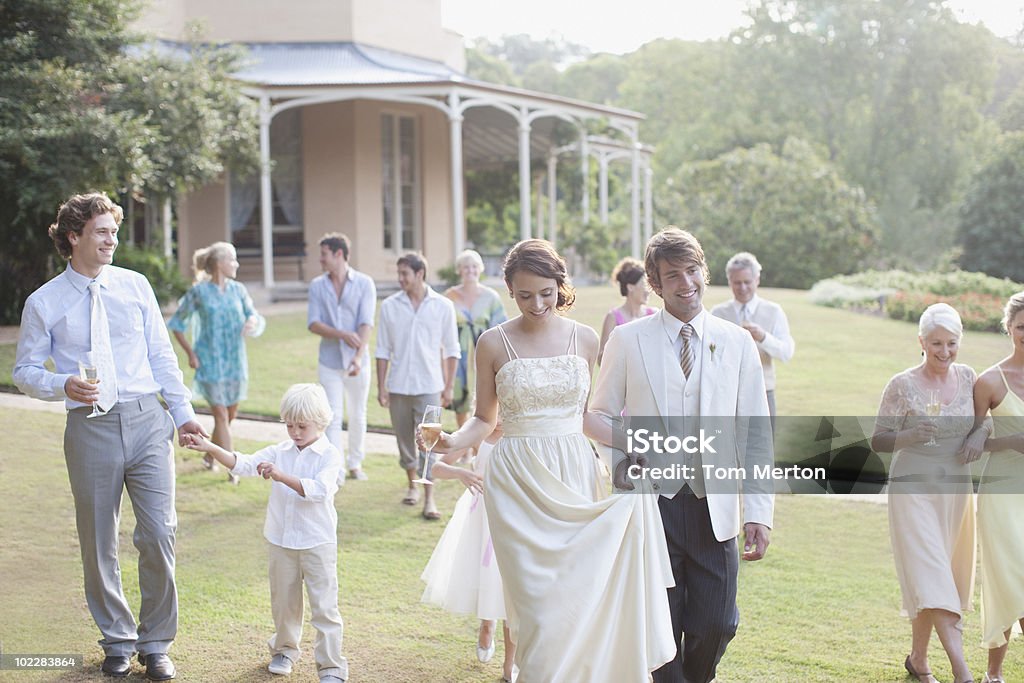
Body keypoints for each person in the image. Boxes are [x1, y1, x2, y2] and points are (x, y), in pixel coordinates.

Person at [428, 239, 675, 681]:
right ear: (509, 289)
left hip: (574, 472)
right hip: (516, 482)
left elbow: (587, 418)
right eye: (524, 296)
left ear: (560, 285)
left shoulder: (585, 338)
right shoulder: (492, 342)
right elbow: (484, 421)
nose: (537, 304)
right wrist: (448, 441)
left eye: (546, 292)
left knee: (576, 600)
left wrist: (638, 442)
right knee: (538, 609)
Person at [13, 192, 207, 681]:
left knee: (160, 532)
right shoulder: (45, 302)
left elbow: (163, 356)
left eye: (114, 231)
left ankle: (157, 642)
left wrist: (182, 414)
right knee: (98, 540)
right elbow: (25, 371)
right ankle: (117, 639)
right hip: (90, 426)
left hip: (147, 422)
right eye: (102, 231)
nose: (112, 240)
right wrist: (62, 384)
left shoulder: (135, 286)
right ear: (73, 236)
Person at [590, 227, 774, 683]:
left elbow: (754, 433)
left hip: (717, 506)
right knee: (659, 625)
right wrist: (625, 459)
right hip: (653, 505)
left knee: (718, 623)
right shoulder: (628, 340)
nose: (685, 283)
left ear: (703, 273)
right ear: (655, 283)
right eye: (673, 275)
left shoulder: (736, 342)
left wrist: (759, 511)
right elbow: (597, 414)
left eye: (692, 271)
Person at [182, 383, 347, 683]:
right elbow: (243, 463)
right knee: (284, 602)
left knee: (324, 607)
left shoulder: (330, 455)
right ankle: (284, 650)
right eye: (289, 425)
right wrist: (211, 448)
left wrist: (281, 476)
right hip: (281, 540)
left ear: (321, 423)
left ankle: (331, 666)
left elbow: (320, 491)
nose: (295, 432)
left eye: (302, 426)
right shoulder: (279, 451)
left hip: (318, 542)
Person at [872, 303, 986, 683]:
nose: (944, 351)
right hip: (912, 490)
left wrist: (979, 435)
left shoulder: (970, 378)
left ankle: (918, 661)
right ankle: (962, 672)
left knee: (935, 576)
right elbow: (878, 440)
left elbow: (987, 423)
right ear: (921, 341)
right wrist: (909, 435)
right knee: (933, 575)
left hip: (955, 490)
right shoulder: (901, 384)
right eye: (935, 343)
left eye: (951, 343)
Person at [420, 422, 515, 682]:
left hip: (514, 516)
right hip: (482, 517)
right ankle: (487, 623)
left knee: (511, 587)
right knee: (489, 578)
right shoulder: (479, 434)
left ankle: (510, 664)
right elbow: (437, 466)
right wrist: (462, 473)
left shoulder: (522, 432)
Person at [168, 241, 264, 484]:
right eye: (232, 260)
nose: (236, 264)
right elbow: (177, 325)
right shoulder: (198, 293)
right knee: (220, 414)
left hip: (234, 361)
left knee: (230, 414)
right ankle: (234, 469)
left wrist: (252, 321)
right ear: (220, 264)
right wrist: (191, 353)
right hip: (209, 362)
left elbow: (252, 313)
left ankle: (211, 454)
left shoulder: (238, 290)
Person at [375, 252, 460, 520]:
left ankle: (429, 498)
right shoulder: (389, 306)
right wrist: (381, 387)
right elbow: (382, 350)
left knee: (430, 443)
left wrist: (448, 387)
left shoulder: (443, 306)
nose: (400, 279)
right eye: (399, 274)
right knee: (405, 443)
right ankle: (412, 485)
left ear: (420, 274)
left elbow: (452, 350)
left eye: (405, 274)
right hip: (398, 386)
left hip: (430, 386)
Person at [973, 292, 1024, 683]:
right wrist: (1009, 441)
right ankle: (994, 674)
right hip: (1002, 491)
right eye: (1022, 326)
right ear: (1008, 328)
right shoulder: (989, 381)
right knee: (1005, 575)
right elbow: (970, 444)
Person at [308, 233, 376, 482]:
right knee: (332, 415)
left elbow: (367, 323)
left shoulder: (365, 283)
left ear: (339, 254)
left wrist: (358, 357)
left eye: (324, 254)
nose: (320, 260)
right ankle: (335, 469)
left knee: (358, 414)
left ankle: (355, 464)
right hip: (329, 361)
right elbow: (313, 323)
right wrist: (342, 334)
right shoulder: (317, 286)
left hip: (358, 361)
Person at [710, 251, 794, 425]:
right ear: (729, 282)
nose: (742, 288)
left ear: (757, 280)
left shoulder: (774, 311)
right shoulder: (718, 313)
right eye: (737, 283)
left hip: (763, 390)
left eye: (747, 282)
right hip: (727, 393)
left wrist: (763, 337)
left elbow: (786, 352)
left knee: (763, 448)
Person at [445, 249, 507, 428]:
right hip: (458, 353)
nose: (470, 271)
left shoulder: (491, 297)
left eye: (473, 266)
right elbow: (442, 326)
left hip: (483, 353)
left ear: (480, 269)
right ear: (459, 270)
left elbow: (501, 327)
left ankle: (478, 446)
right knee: (460, 397)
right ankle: (464, 446)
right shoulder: (450, 296)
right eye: (465, 267)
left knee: (483, 396)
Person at [597, 256, 656, 364]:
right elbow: (601, 359)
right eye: (644, 285)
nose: (648, 291)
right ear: (630, 287)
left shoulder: (654, 315)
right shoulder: (613, 317)